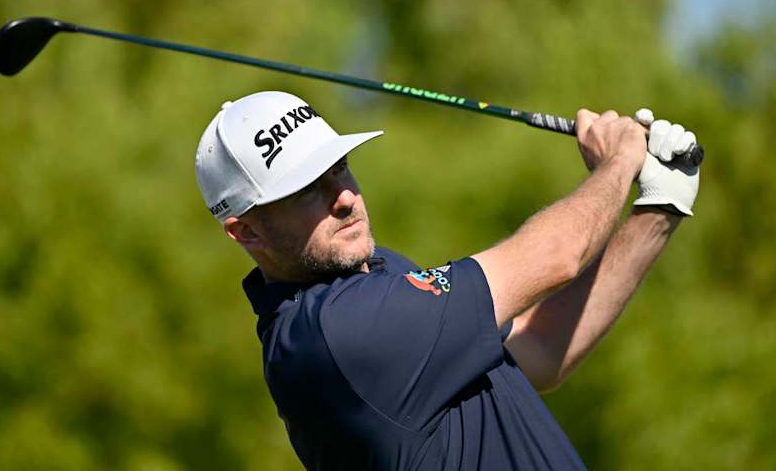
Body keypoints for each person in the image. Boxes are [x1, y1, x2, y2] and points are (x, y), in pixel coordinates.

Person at [194, 91, 700, 470]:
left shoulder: (374, 273)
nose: (345, 197)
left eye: (340, 168)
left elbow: (538, 352)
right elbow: (558, 256)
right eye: (307, 190)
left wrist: (659, 207)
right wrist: (618, 162)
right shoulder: (333, 333)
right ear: (247, 230)